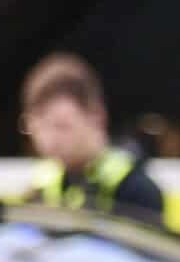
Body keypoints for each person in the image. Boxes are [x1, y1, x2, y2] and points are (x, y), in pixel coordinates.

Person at [20, 53, 164, 222]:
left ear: (97, 117)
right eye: (38, 128)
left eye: (61, 126)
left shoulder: (136, 190)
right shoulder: (40, 187)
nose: (48, 139)